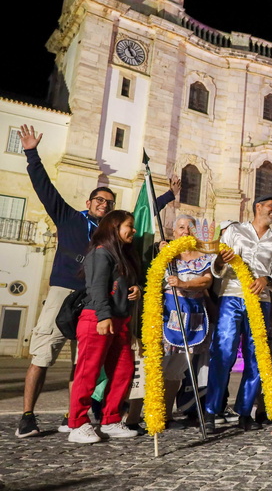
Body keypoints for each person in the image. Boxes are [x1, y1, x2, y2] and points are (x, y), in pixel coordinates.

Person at [15, 124, 178, 438]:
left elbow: (141, 219)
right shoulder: (69, 219)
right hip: (66, 291)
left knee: (88, 361)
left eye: (109, 202)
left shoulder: (114, 235)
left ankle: (75, 417)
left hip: (99, 299)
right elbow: (44, 188)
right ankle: (27, 415)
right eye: (99, 200)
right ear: (89, 203)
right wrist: (32, 153)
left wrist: (169, 195)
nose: (104, 204)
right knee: (44, 352)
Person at [206, 195, 272, 432]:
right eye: (271, 206)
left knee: (256, 357)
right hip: (232, 296)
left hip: (260, 301)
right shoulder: (234, 231)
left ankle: (244, 412)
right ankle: (212, 411)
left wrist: (267, 279)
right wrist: (220, 260)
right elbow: (218, 266)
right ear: (258, 207)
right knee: (223, 351)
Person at [67, 211, 142, 443]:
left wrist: (137, 288)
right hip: (98, 319)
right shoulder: (101, 253)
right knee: (88, 372)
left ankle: (111, 418)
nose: (134, 231)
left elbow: (120, 284)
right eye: (129, 226)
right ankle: (77, 424)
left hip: (119, 321)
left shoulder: (123, 255)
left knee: (123, 370)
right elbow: (97, 287)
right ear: (114, 227)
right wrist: (103, 316)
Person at [160, 215, 214, 428]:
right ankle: (151, 412)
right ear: (174, 232)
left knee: (179, 369)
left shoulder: (203, 256)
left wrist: (184, 283)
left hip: (193, 317)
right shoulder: (167, 255)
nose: (185, 232)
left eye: (190, 228)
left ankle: (167, 414)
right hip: (168, 316)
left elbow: (207, 280)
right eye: (181, 227)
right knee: (161, 365)